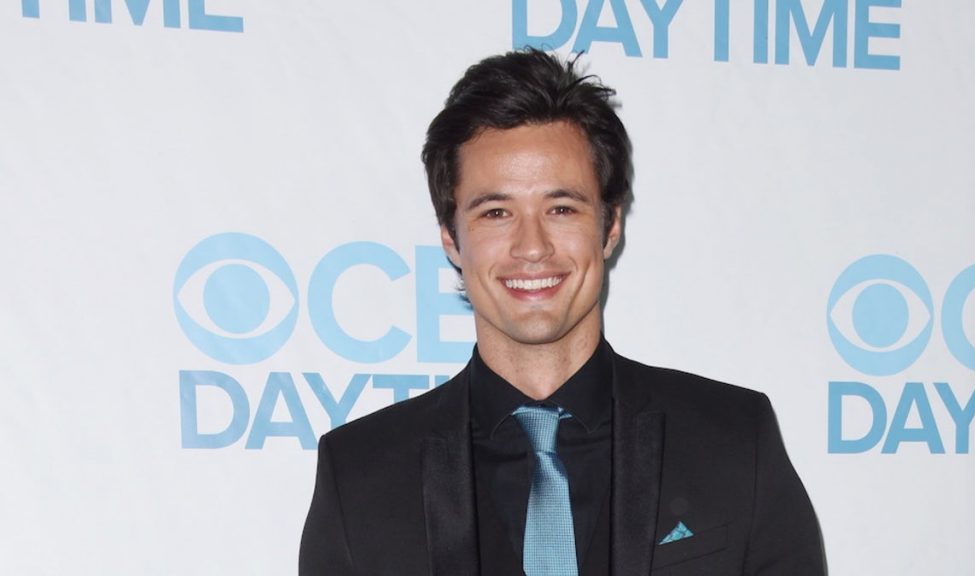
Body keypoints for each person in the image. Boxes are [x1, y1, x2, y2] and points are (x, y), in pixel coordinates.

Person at [299, 49, 825, 576]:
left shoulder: (734, 442)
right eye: (496, 212)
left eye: (561, 208)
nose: (532, 246)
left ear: (610, 226)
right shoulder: (360, 476)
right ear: (451, 239)